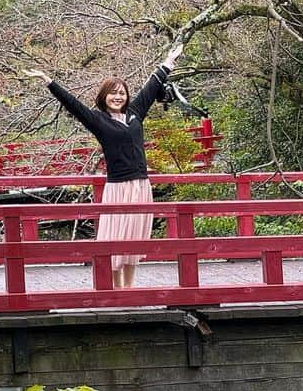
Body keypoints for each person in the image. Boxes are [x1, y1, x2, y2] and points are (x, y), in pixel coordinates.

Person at [25, 43, 184, 289]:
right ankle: (115, 289)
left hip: (141, 185)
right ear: (104, 96)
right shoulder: (98, 120)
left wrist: (169, 61)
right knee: (116, 237)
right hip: (118, 187)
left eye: (122, 93)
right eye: (113, 93)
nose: (118, 97)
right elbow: (73, 105)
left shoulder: (135, 113)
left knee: (135, 238)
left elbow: (152, 87)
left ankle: (129, 289)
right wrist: (49, 81)